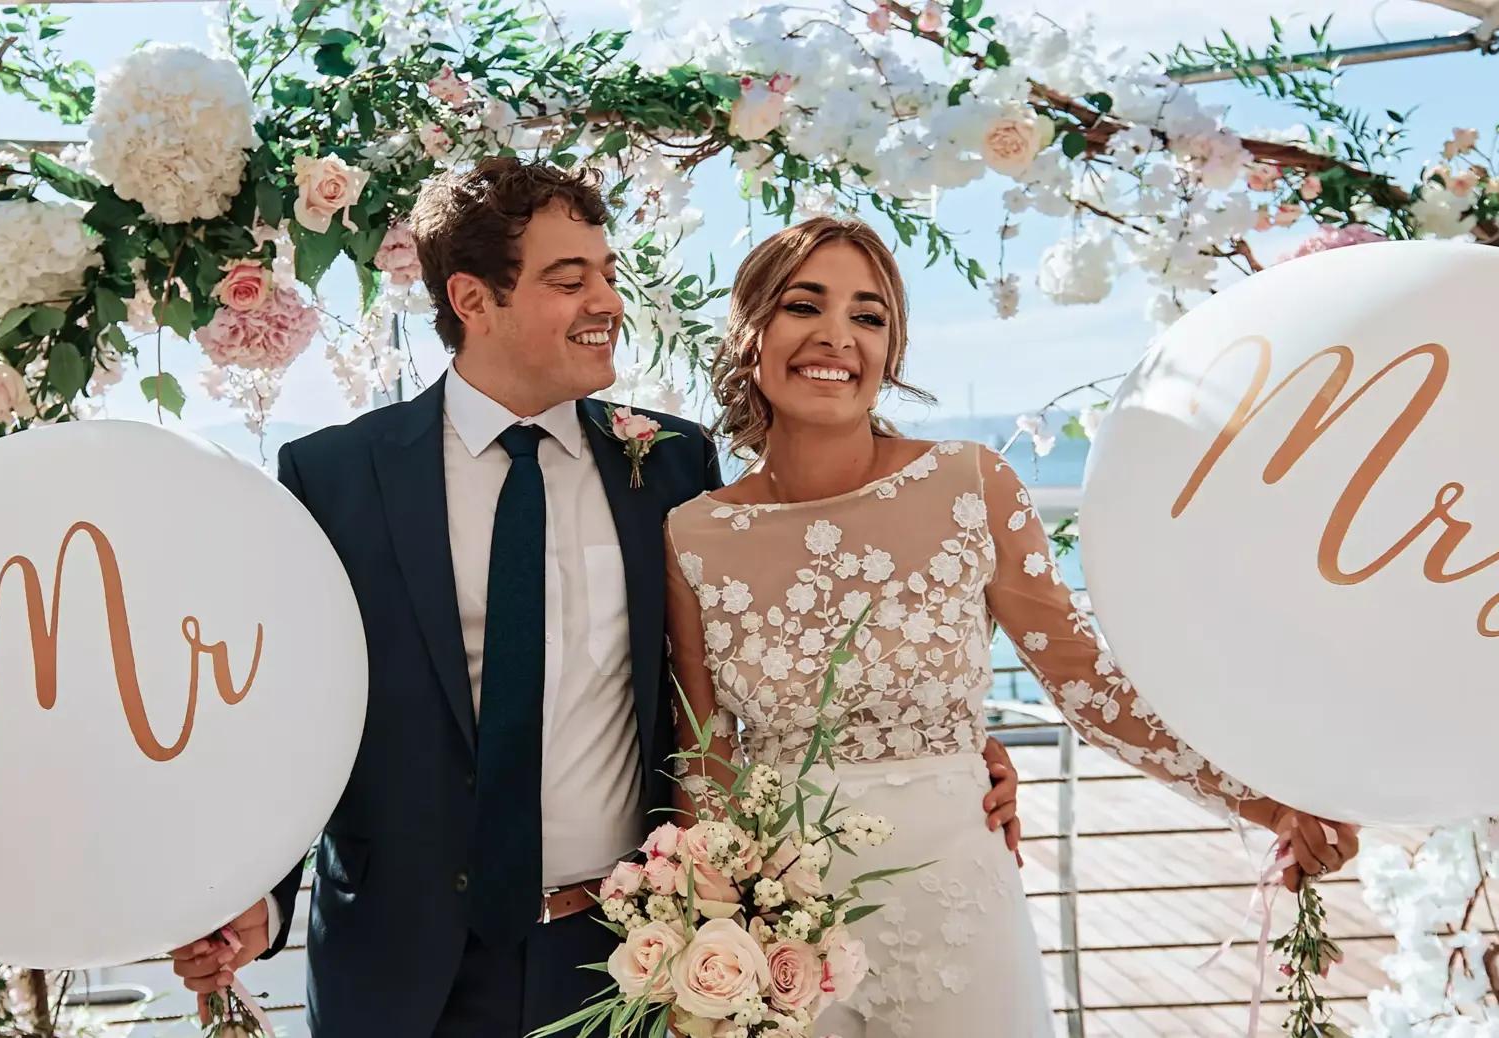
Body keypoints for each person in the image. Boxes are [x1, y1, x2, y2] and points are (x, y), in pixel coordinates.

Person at [168, 159, 1024, 1037]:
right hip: (398, 966)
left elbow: (738, 674)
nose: (606, 302)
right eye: (568, 280)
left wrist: (946, 761)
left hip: (630, 956)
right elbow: (291, 714)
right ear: (472, 299)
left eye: (608, 275)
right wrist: (260, 899)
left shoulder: (672, 464)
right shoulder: (336, 475)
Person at [663, 216, 1361, 1036]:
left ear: (893, 352)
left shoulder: (973, 486)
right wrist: (710, 934)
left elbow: (1086, 683)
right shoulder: (693, 533)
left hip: (956, 898)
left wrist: (1266, 801)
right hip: (780, 927)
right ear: (751, 332)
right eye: (803, 306)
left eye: (868, 315)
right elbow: (703, 761)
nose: (836, 337)